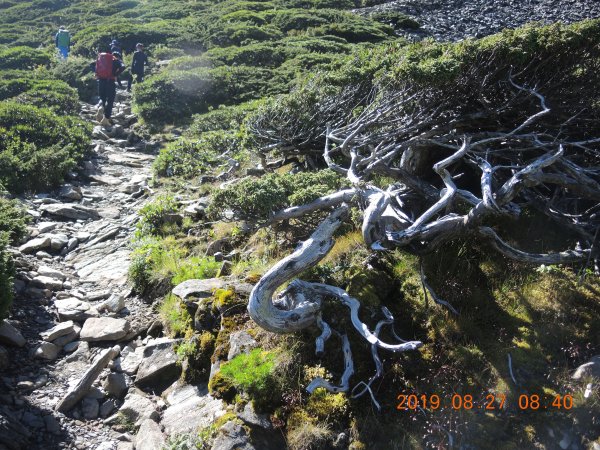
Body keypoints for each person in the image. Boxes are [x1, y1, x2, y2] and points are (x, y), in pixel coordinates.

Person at [93, 45, 125, 126]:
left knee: (102, 98)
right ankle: (106, 119)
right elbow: (123, 67)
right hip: (110, 81)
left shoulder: (103, 59)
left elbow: (91, 64)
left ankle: (100, 107)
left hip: (101, 81)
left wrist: (97, 73)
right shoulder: (117, 60)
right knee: (110, 100)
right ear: (118, 56)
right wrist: (115, 74)